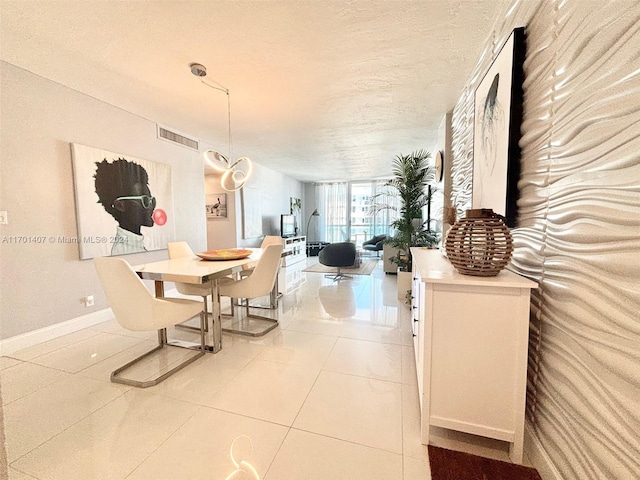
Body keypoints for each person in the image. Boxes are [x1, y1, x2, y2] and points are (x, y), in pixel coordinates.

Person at [94, 158, 155, 255]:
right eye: (145, 201)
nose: (151, 207)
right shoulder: (123, 251)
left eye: (152, 201)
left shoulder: (135, 246)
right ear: (120, 206)